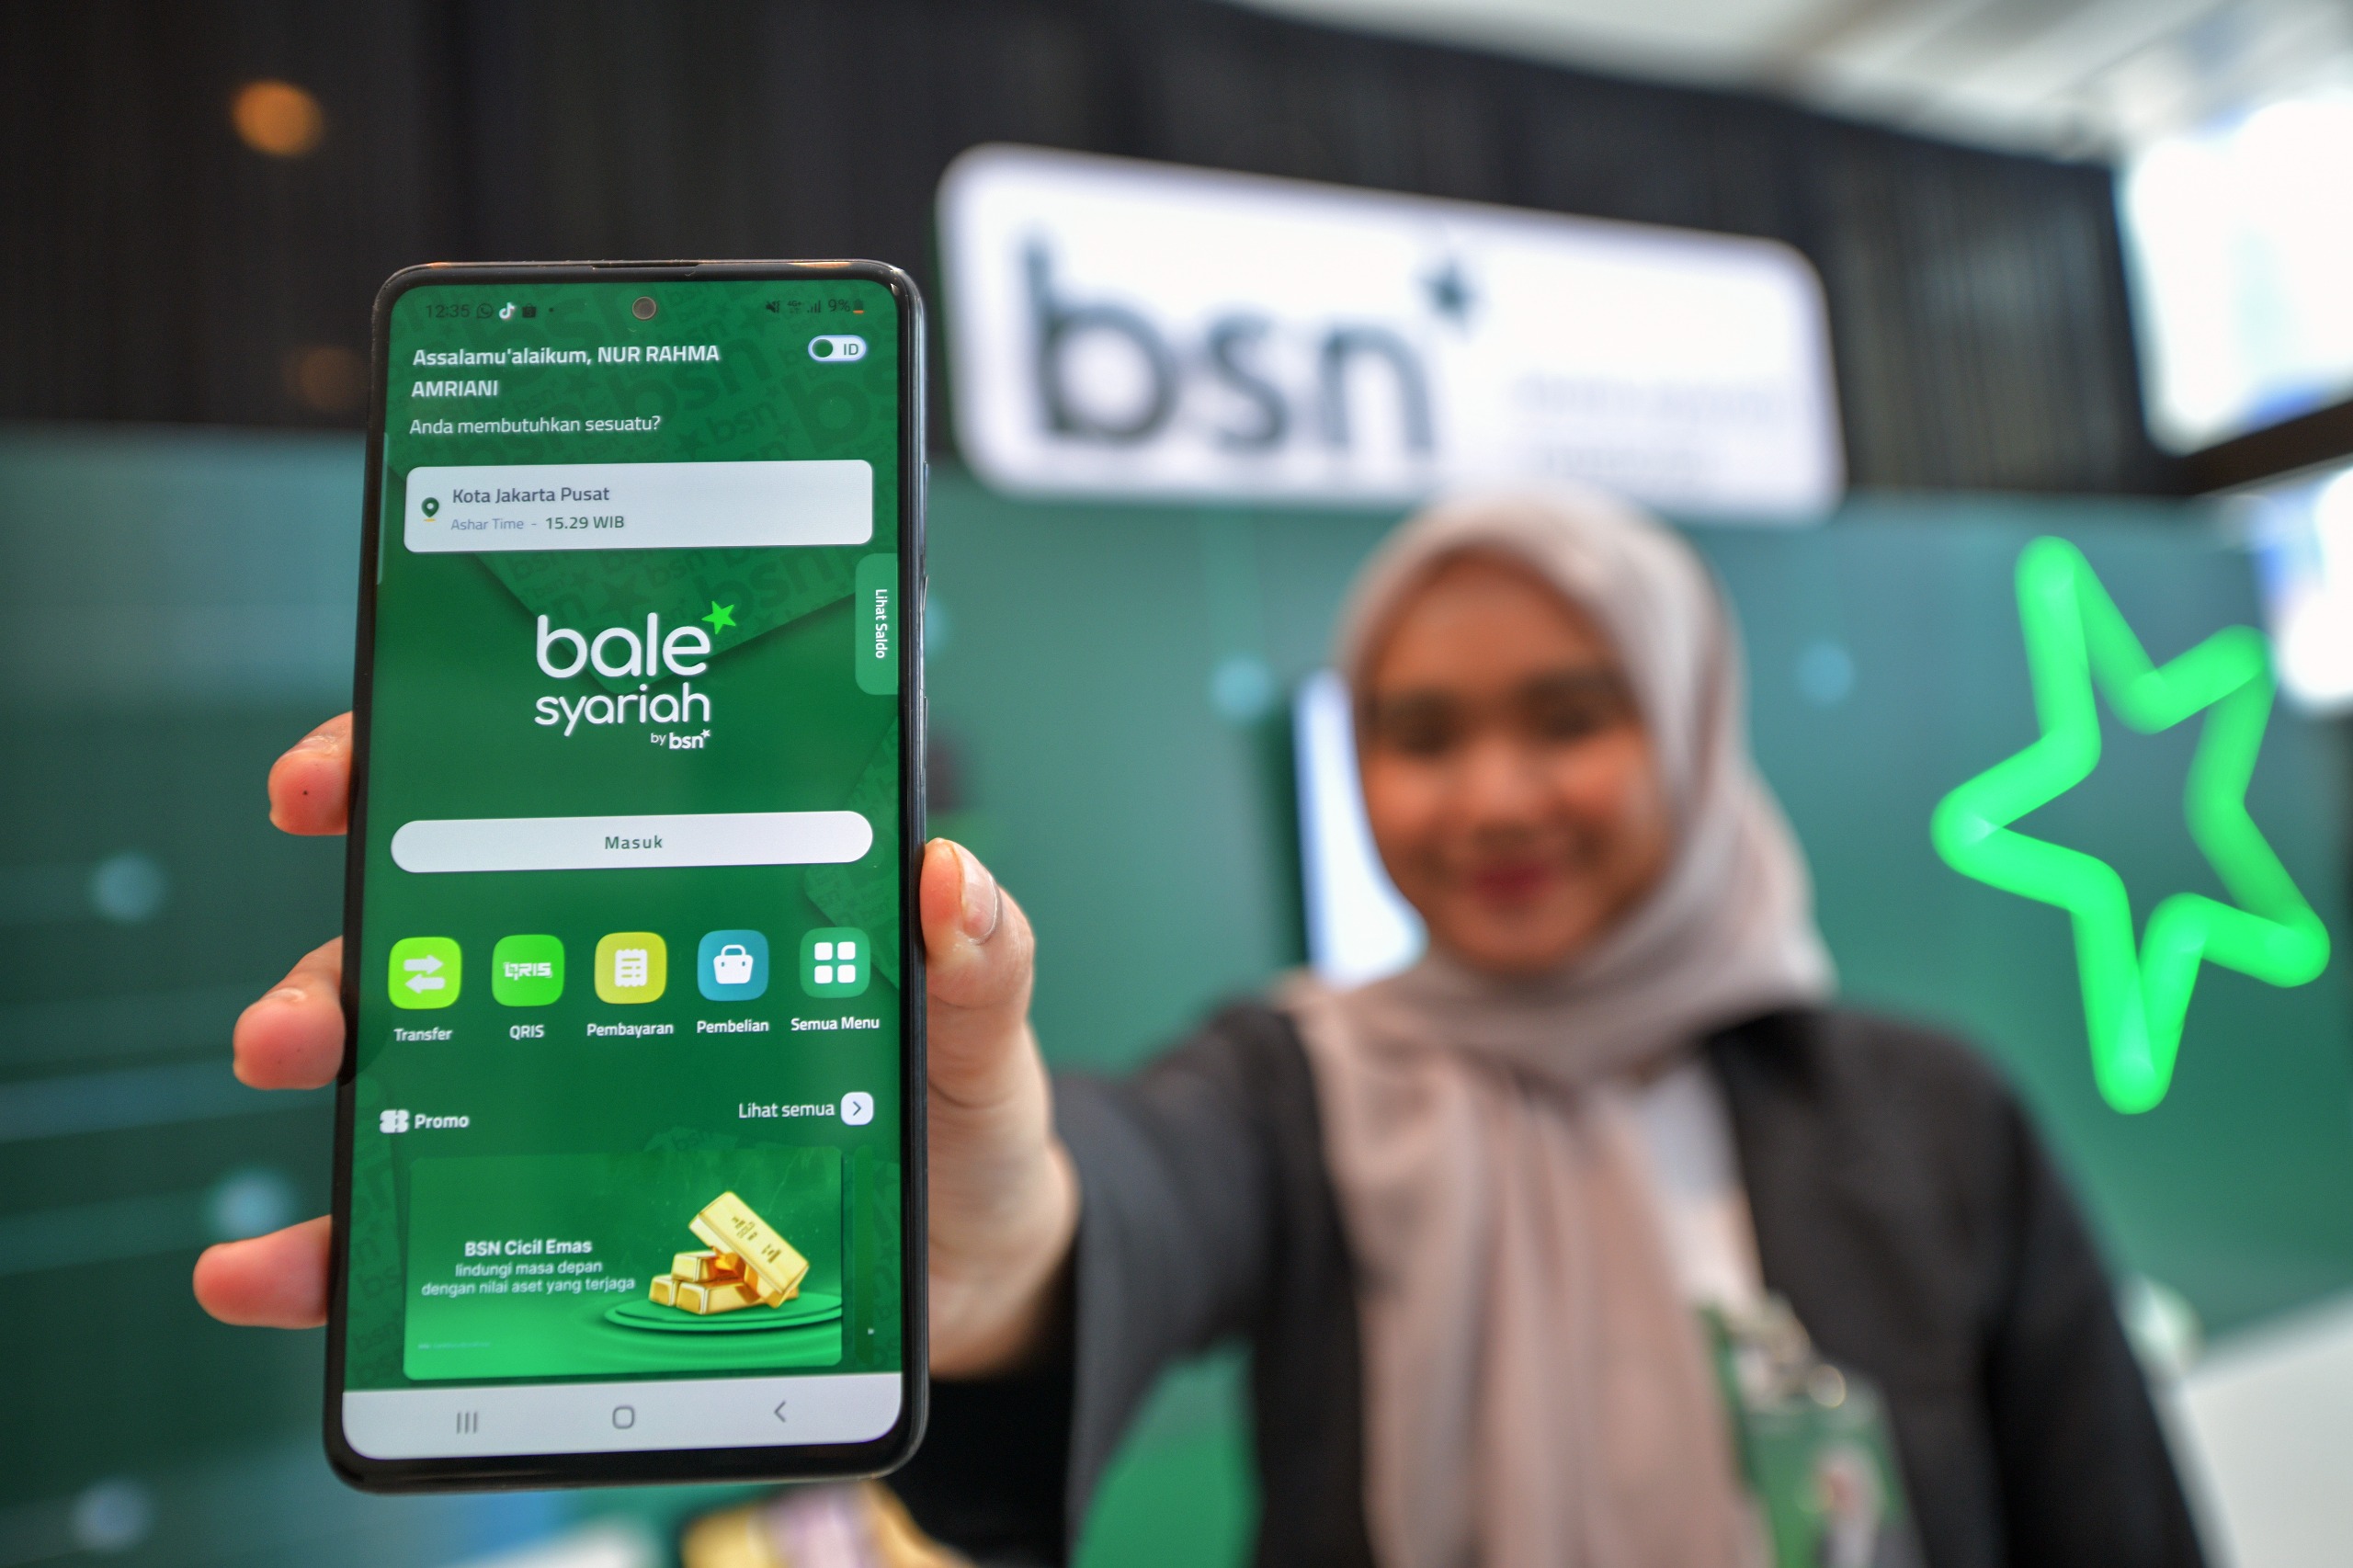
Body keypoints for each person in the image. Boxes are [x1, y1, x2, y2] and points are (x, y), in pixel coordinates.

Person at [198, 491, 2203, 1568]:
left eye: (1568, 715)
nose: (1490, 796)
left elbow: (2109, 1514)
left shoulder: (1929, 1111)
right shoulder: (1300, 1077)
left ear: (1688, 724)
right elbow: (1129, 1186)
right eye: (1419, 734)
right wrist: (989, 1237)